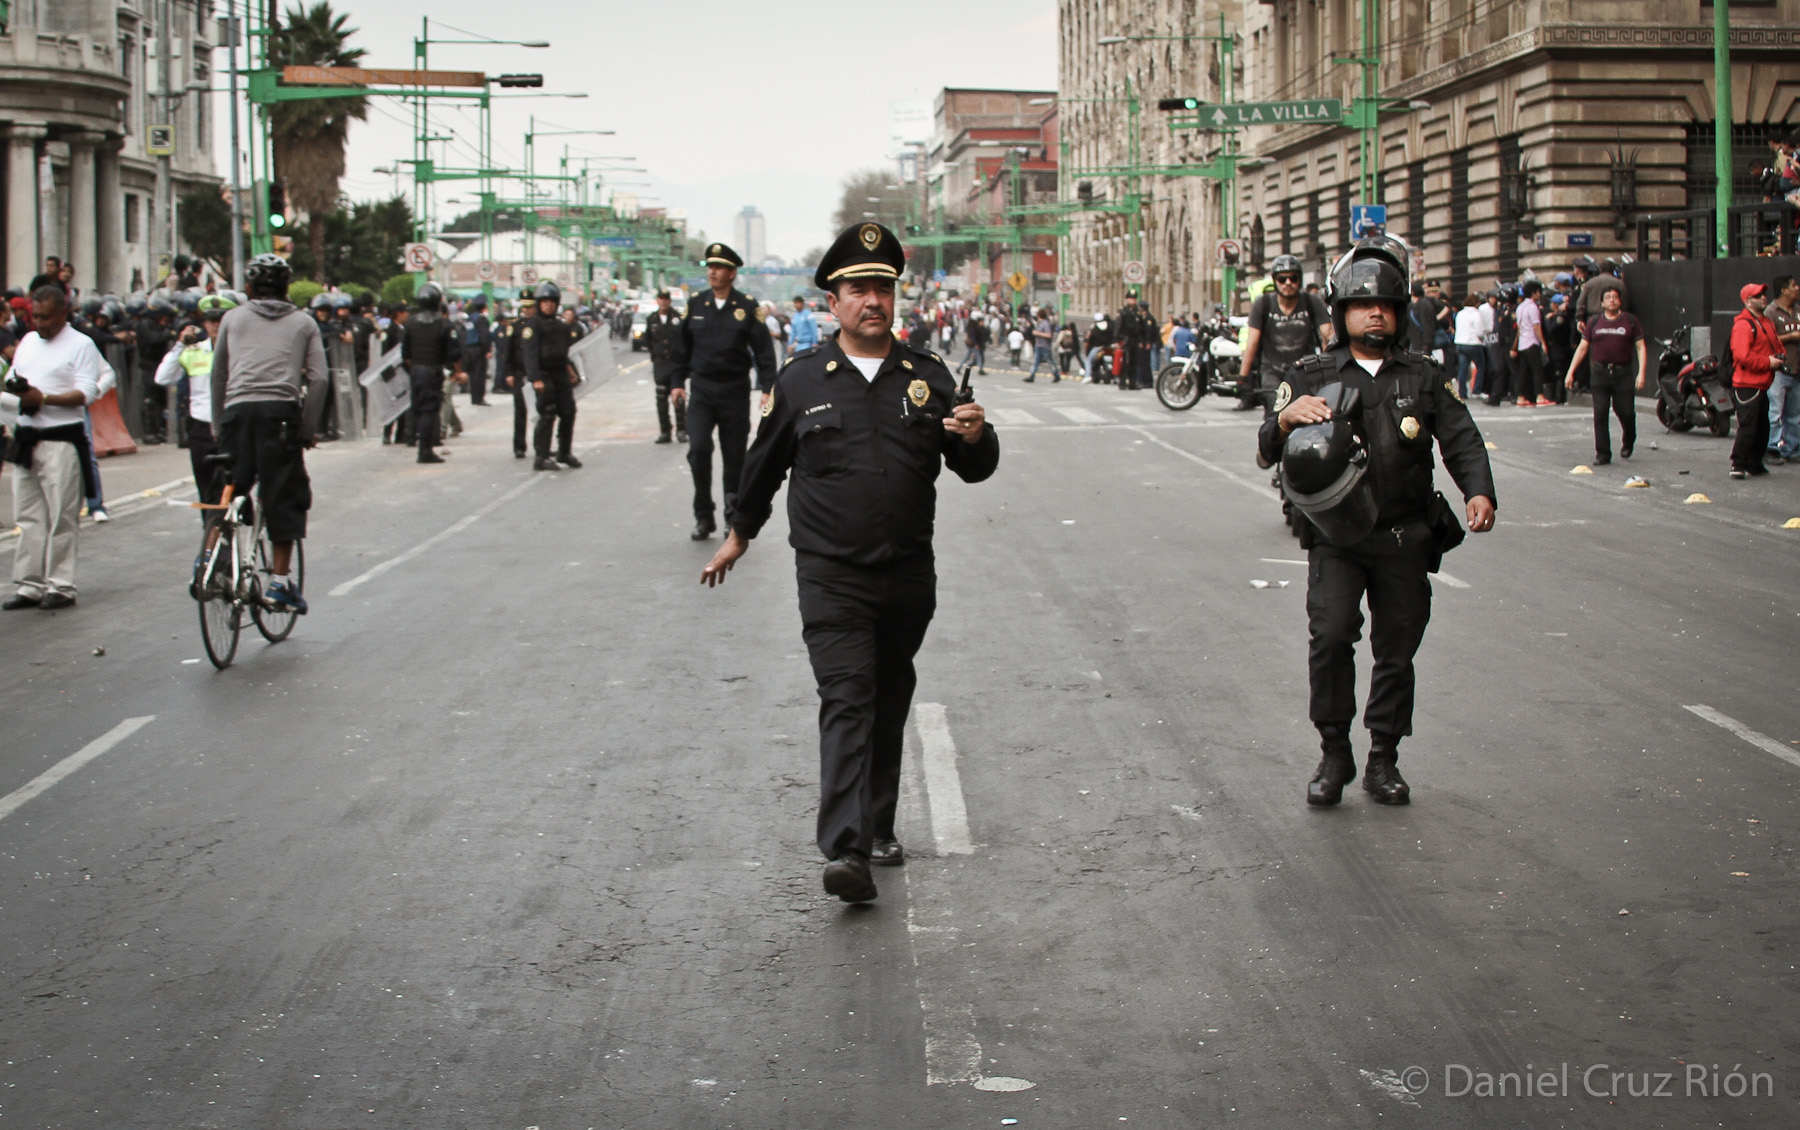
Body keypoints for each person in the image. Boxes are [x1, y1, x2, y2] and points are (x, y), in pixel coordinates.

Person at [698, 222, 998, 903]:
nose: (873, 301)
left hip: (908, 574)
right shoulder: (802, 379)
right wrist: (740, 533)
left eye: (883, 289)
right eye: (858, 290)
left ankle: (878, 826)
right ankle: (846, 848)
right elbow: (762, 464)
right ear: (832, 303)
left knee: (888, 696)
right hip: (831, 576)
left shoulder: (927, 377)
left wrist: (978, 436)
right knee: (847, 698)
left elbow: (974, 466)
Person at [1259, 238, 1496, 807]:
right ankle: (1334, 752)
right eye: (1363, 305)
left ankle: (1383, 757)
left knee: (1397, 649)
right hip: (1337, 539)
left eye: (1386, 305)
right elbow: (1266, 448)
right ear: (1341, 312)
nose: (1375, 314)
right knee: (1331, 636)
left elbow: (1461, 438)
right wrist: (1285, 420)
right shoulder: (1310, 374)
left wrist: (1479, 491)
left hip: (1403, 536)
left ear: (1400, 312)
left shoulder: (1423, 375)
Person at [208, 253, 322, 614]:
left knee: (229, 487)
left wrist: (219, 424)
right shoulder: (304, 323)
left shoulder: (231, 318)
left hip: (236, 415)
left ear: (248, 287)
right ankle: (280, 584)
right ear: (288, 287)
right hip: (280, 417)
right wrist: (307, 429)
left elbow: (218, 374)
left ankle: (209, 560)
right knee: (283, 497)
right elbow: (319, 379)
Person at [4, 286, 101, 610]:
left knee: (62, 515)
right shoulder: (29, 341)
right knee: (28, 515)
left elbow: (86, 393)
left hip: (61, 440)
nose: (40, 323)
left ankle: (60, 584)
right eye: (36, 316)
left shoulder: (81, 344)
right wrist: (18, 390)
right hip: (27, 437)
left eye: (46, 317)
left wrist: (44, 398)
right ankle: (29, 583)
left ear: (63, 312)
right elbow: (14, 376)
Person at [669, 243, 776, 538]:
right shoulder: (695, 305)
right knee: (698, 449)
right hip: (702, 390)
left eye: (718, 267)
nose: (712, 272)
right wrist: (676, 383)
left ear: (732, 273)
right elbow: (680, 349)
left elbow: (764, 351)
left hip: (734, 391)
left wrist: (768, 387)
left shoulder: (747, 307)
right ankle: (703, 516)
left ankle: (733, 516)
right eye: (710, 267)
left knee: (734, 458)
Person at [156, 295, 233, 510]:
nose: (215, 325)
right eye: (211, 320)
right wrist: (180, 344)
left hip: (231, 425)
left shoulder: (240, 351)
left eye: (220, 320)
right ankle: (212, 529)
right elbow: (162, 378)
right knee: (206, 489)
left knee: (234, 485)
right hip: (201, 428)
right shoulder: (193, 352)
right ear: (204, 324)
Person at [1564, 286, 1645, 465]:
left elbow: (1641, 347)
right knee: (1600, 413)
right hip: (1600, 373)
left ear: (1620, 301)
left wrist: (1641, 373)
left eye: (1615, 297)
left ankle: (1629, 438)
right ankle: (1602, 453)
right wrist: (1571, 372)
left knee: (1625, 411)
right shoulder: (1594, 322)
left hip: (1623, 373)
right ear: (1601, 303)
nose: (1612, 300)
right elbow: (1583, 347)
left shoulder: (1630, 321)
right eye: (1608, 297)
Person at [1242, 255, 1331, 411]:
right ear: (1275, 281)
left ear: (1300, 280)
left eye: (1293, 278)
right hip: (1272, 371)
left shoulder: (1312, 301)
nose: (1288, 283)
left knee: (1306, 415)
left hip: (1305, 370)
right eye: (1282, 279)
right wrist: (1243, 377)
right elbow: (1252, 343)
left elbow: (1329, 335)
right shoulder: (1263, 304)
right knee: (1275, 415)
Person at [521, 281, 584, 472]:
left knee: (568, 412)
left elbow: (564, 353)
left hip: (560, 374)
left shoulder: (561, 326)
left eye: (552, 302)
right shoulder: (533, 325)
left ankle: (564, 452)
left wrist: (571, 372)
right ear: (539, 303)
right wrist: (535, 379)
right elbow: (530, 354)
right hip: (544, 374)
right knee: (548, 414)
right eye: (545, 302)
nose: (548, 305)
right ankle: (541, 457)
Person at [400, 284, 462, 465]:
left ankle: (415, 440)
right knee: (429, 411)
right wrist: (458, 372)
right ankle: (425, 450)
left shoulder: (411, 323)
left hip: (416, 371)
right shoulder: (444, 324)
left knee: (417, 408)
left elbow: (406, 354)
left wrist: (416, 368)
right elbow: (455, 353)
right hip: (432, 371)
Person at [1727, 282, 1780, 479]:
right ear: (1747, 301)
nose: (1763, 298)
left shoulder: (1766, 322)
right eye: (1758, 296)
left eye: (1763, 294)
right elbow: (1742, 356)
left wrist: (1779, 357)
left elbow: (1776, 344)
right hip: (1747, 384)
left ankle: (1755, 462)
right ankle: (1738, 463)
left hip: (1762, 382)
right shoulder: (1743, 325)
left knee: (1762, 427)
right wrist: (1768, 362)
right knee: (1748, 427)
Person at [1764, 274, 1800, 465]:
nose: (1797, 288)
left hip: (1796, 369)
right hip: (1778, 370)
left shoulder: (1797, 311)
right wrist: (1791, 336)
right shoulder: (1771, 312)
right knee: (1775, 413)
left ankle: (1792, 449)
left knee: (1794, 414)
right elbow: (1766, 339)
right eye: (1793, 285)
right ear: (1784, 290)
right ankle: (1771, 448)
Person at [644, 290, 688, 444]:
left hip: (676, 363)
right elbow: (648, 340)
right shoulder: (652, 319)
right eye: (661, 299)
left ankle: (682, 430)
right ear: (657, 301)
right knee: (661, 399)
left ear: (670, 301)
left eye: (666, 299)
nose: (663, 302)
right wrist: (655, 356)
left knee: (679, 399)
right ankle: (665, 432)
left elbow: (685, 340)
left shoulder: (678, 318)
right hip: (660, 364)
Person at [1510, 280, 1548, 407]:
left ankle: (1521, 397)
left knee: (1523, 371)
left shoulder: (1520, 307)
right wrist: (1543, 342)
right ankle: (1540, 396)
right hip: (1532, 342)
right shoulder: (1532, 307)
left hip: (1522, 343)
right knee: (1537, 370)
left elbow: (1519, 328)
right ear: (1535, 292)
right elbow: (1536, 326)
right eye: (1539, 292)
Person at [1451, 294, 1486, 401]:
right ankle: (1477, 390)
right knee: (1480, 366)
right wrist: (1482, 337)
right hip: (1473, 343)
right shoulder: (1476, 314)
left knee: (1463, 368)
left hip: (1460, 342)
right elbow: (1479, 331)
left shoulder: (1460, 313)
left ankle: (1462, 392)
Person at [462, 293, 493, 405]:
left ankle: (474, 397)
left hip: (468, 349)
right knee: (479, 374)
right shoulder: (481, 319)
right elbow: (484, 336)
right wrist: (487, 350)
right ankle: (479, 398)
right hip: (478, 349)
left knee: (473, 375)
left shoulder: (470, 318)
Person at [1024, 308, 1057, 382]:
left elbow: (1048, 335)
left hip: (1045, 346)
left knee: (1050, 361)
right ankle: (1031, 376)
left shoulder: (1046, 323)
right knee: (1036, 361)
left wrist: (1038, 333)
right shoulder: (1040, 323)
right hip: (1038, 345)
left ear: (1039, 315)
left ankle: (1056, 374)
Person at [962, 310, 990, 374]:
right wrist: (976, 344)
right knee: (979, 357)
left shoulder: (978, 327)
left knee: (976, 357)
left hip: (979, 344)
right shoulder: (975, 328)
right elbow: (974, 337)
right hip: (977, 345)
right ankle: (980, 369)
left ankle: (972, 367)